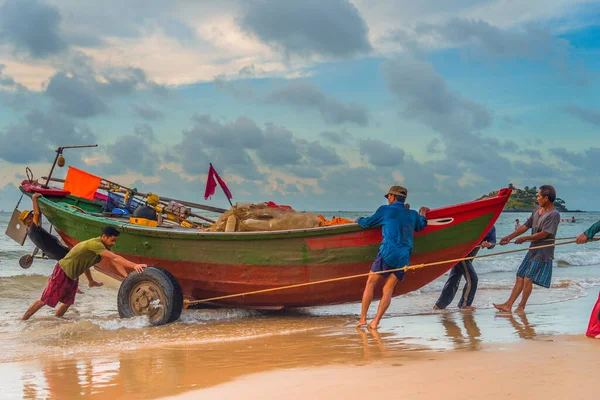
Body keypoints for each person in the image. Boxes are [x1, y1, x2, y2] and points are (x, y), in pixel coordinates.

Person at [21, 226, 147, 320]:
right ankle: (23, 320)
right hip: (63, 271)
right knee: (44, 300)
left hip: (73, 276)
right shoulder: (95, 244)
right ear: (104, 237)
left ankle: (57, 320)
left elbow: (87, 264)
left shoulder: (103, 246)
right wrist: (135, 265)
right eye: (112, 240)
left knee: (67, 302)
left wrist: (125, 278)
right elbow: (115, 258)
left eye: (115, 241)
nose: (113, 243)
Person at [355, 185, 428, 329]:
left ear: (392, 197)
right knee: (388, 289)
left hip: (387, 252)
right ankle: (375, 322)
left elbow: (367, 223)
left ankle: (363, 319)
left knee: (370, 283)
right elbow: (421, 225)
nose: (388, 199)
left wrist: (358, 219)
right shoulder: (412, 214)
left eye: (388, 196)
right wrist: (423, 214)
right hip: (404, 256)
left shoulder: (385, 210)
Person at [493, 185, 560, 313]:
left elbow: (544, 234)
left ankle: (521, 306)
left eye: (539, 196)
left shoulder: (554, 214)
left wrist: (525, 239)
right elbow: (525, 226)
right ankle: (508, 305)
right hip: (533, 249)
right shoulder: (537, 211)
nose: (537, 198)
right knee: (520, 276)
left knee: (528, 278)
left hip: (543, 251)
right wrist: (509, 237)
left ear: (546, 198)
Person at [19, 193, 103, 290]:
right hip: (57, 250)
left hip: (55, 250)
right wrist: (34, 199)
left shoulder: (30, 231)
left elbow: (38, 214)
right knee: (78, 262)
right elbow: (37, 214)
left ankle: (81, 285)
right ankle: (85, 283)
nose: (31, 218)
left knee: (74, 266)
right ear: (25, 223)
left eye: (31, 216)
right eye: (28, 218)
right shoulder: (32, 228)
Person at [434, 225, 496, 310]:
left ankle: (439, 305)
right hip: (461, 254)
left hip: (469, 257)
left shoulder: (491, 227)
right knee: (473, 279)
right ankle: (465, 304)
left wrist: (489, 244)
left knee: (454, 279)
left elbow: (493, 241)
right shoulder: (473, 223)